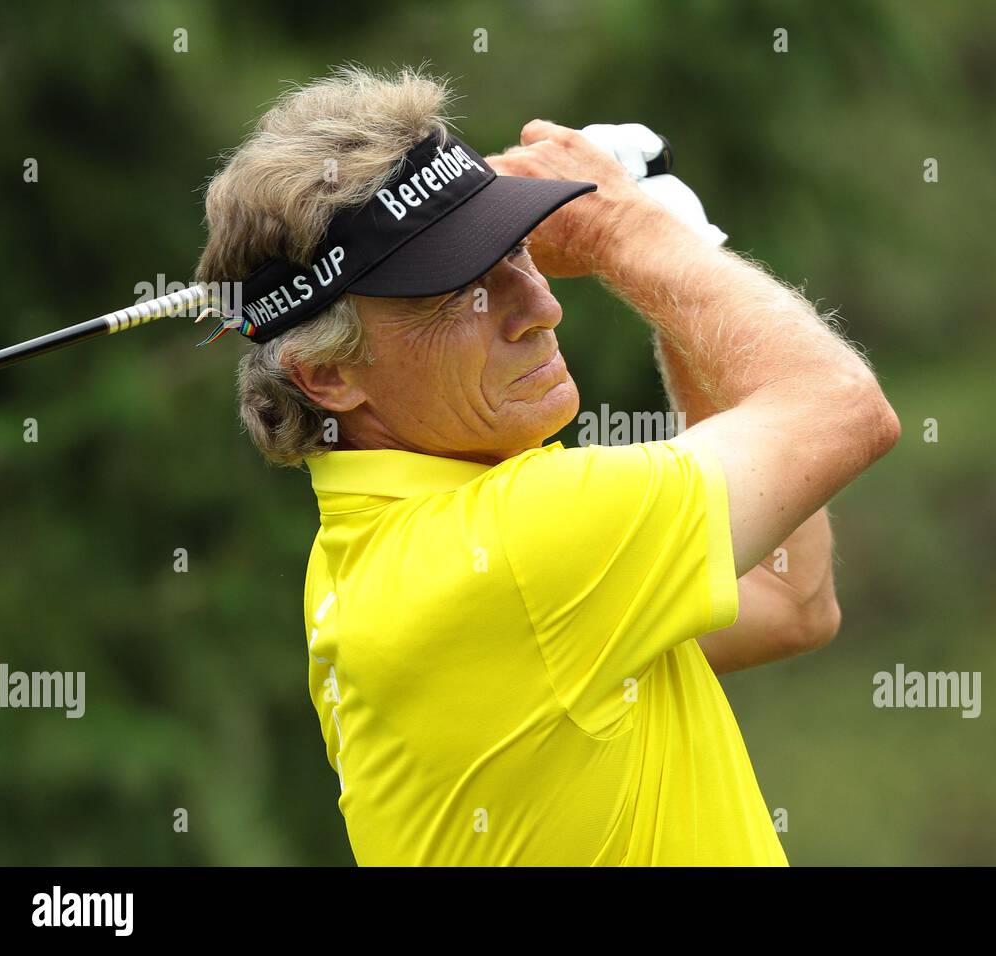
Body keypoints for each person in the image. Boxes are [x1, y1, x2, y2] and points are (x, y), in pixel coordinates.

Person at [195, 65, 899, 866]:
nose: (539, 306)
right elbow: (842, 406)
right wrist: (624, 234)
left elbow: (785, 596)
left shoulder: (384, 551)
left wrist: (666, 232)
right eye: (461, 291)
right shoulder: (511, 551)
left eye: (516, 252)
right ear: (327, 375)